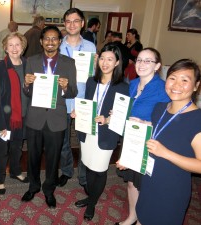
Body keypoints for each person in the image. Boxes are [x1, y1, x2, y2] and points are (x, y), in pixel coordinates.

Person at [135, 59, 201, 225]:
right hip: (150, 180)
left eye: (185, 80)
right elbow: (158, 136)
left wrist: (165, 153)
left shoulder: (197, 119)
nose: (176, 85)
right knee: (142, 217)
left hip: (172, 188)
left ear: (196, 86)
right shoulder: (159, 108)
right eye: (172, 78)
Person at [21, 25, 78, 208]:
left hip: (56, 119)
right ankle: (33, 186)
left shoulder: (69, 63)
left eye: (54, 39)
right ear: (41, 41)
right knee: (33, 157)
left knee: (53, 159)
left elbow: (73, 92)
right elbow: (27, 92)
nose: (51, 42)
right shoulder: (31, 61)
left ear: (59, 42)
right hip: (35, 117)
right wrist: (27, 84)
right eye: (47, 39)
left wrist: (64, 88)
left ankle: (49, 190)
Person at [115, 48, 170, 225]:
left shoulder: (163, 89)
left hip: (149, 143)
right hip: (130, 139)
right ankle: (132, 216)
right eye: (139, 60)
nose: (141, 64)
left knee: (145, 185)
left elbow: (169, 120)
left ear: (157, 66)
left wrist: (148, 124)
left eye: (148, 61)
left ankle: (143, 220)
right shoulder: (132, 83)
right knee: (131, 182)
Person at [73, 44, 129, 221]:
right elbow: (87, 104)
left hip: (105, 134)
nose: (105, 63)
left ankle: (92, 204)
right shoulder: (92, 81)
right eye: (102, 58)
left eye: (110, 59)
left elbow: (122, 116)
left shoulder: (122, 87)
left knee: (99, 170)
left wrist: (107, 120)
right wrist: (78, 112)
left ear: (117, 62)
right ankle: (91, 196)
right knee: (89, 166)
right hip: (88, 131)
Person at [58, 8, 96, 193]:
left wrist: (97, 67)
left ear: (82, 23)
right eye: (68, 21)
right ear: (64, 24)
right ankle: (66, 171)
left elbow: (94, 77)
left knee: (84, 141)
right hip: (62, 101)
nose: (72, 24)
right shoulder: (57, 46)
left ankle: (83, 176)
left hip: (83, 101)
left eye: (76, 21)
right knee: (63, 140)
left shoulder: (90, 47)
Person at [0, 32, 29, 195]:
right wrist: (0, 124)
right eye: (10, 45)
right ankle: (0, 179)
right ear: (5, 47)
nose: (14, 48)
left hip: (23, 116)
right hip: (6, 119)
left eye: (17, 44)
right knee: (2, 151)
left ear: (23, 47)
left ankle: (15, 171)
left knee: (17, 148)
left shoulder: (28, 64)